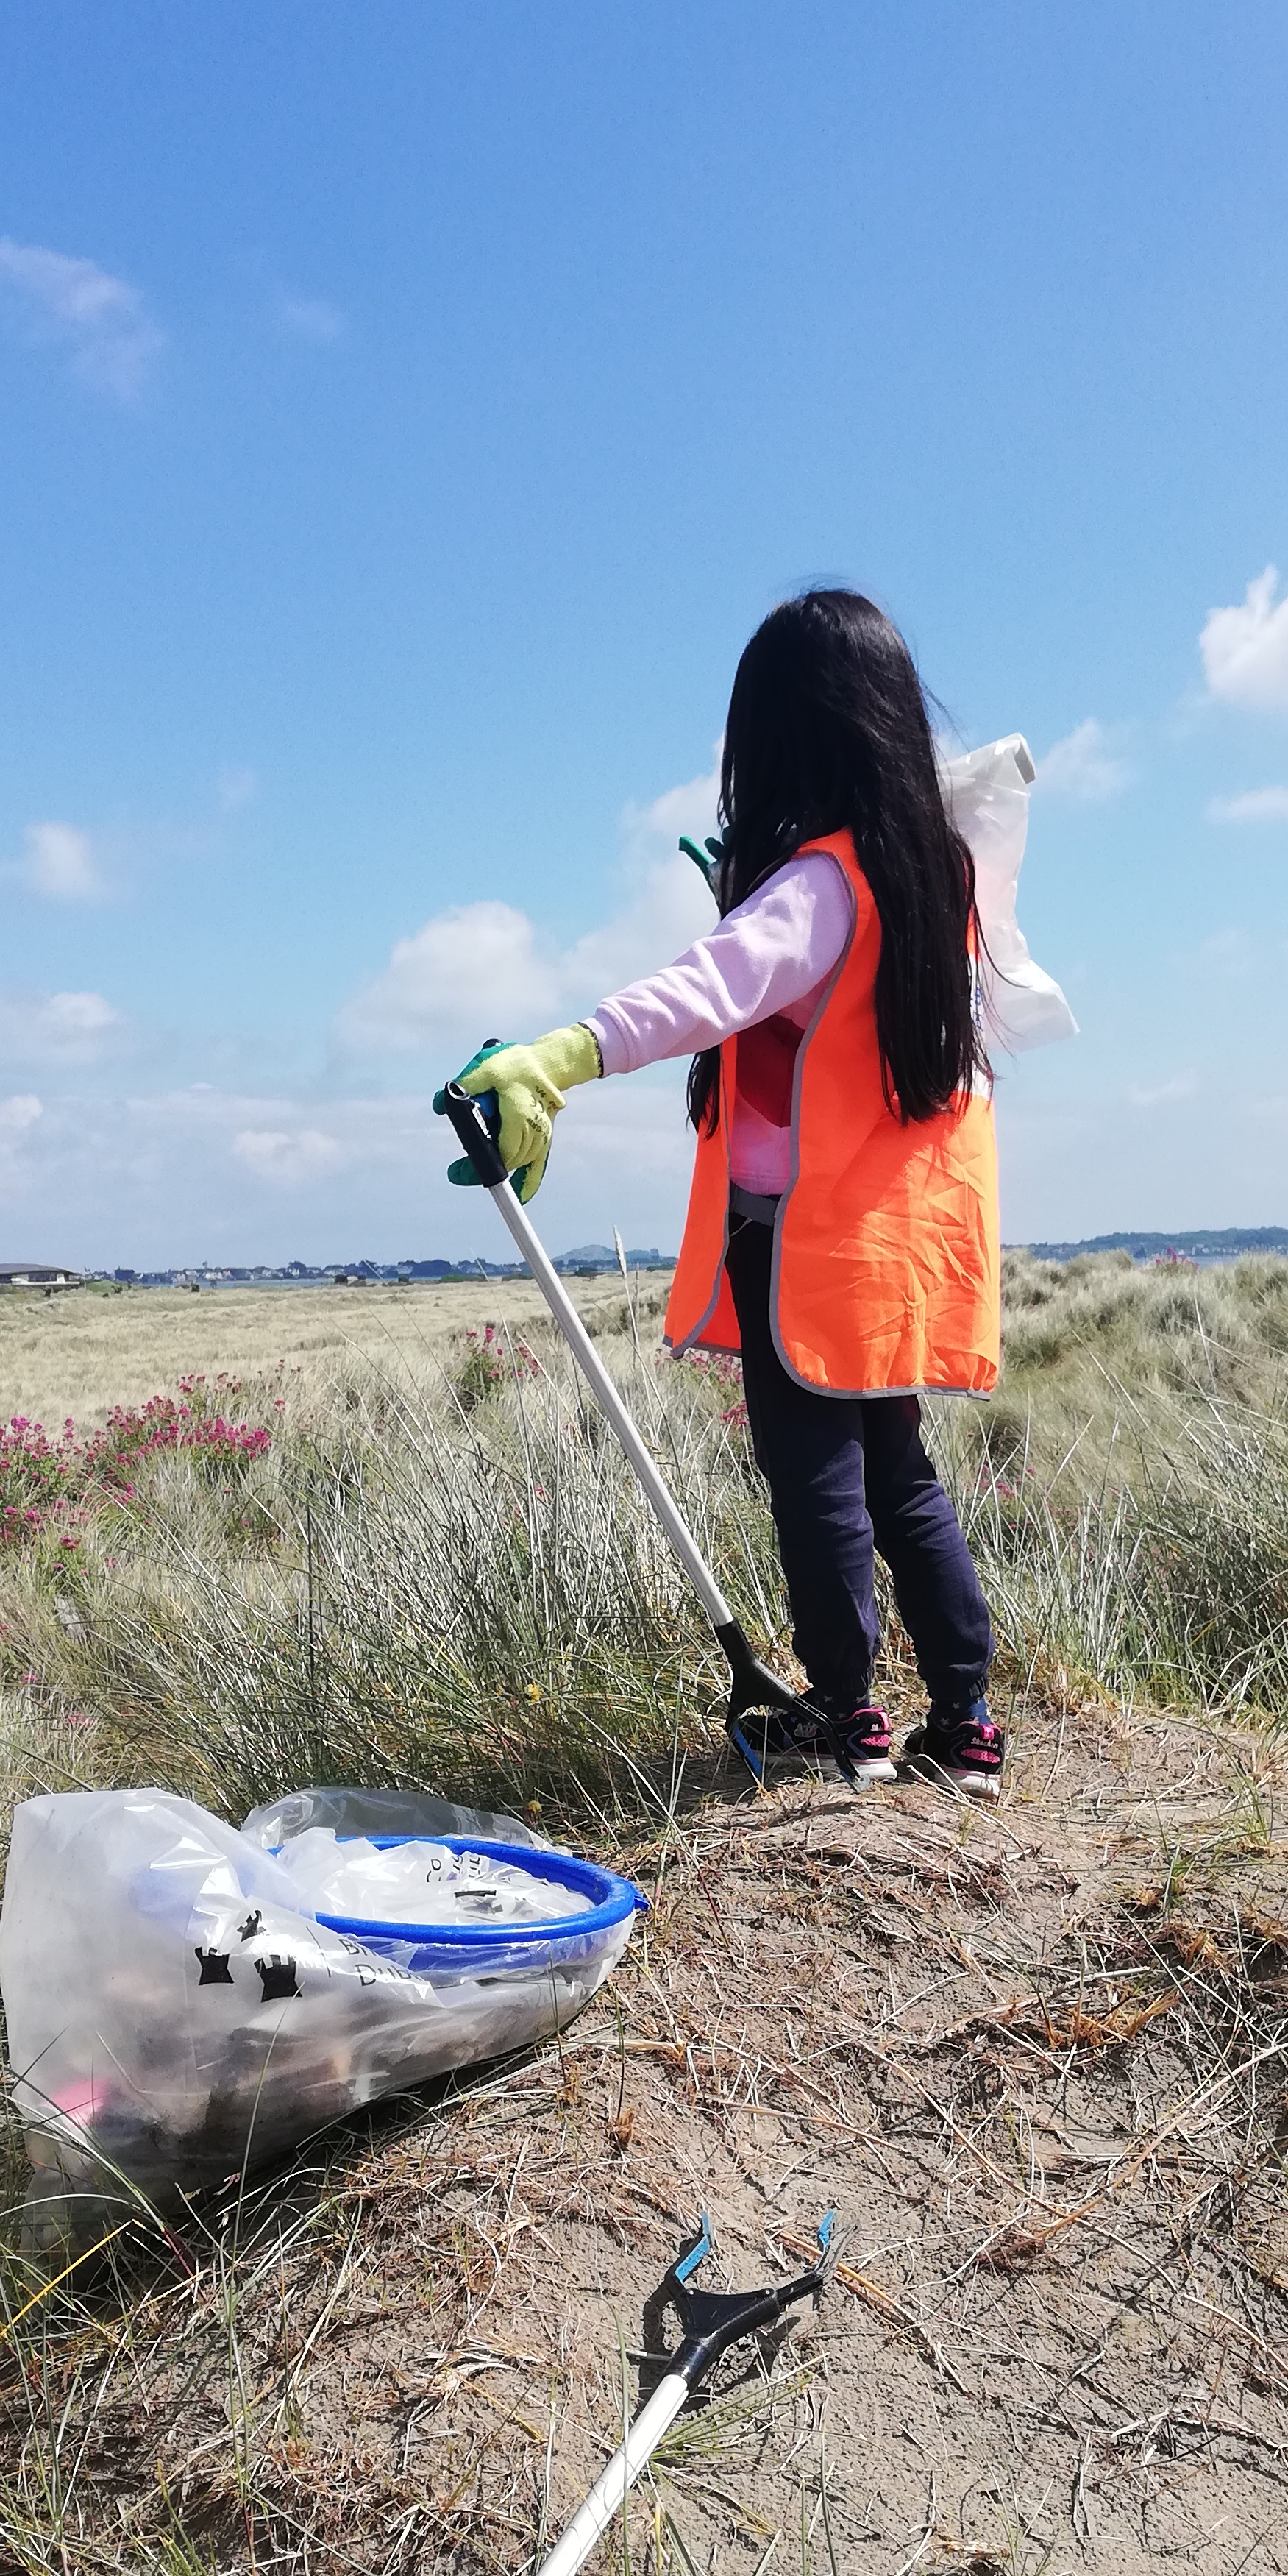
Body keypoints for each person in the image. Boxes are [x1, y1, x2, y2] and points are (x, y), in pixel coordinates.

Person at [444, 586, 1006, 1799]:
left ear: (788, 736)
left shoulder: (820, 885)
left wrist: (562, 1054)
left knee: (819, 1486)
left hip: (800, 1242)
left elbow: (709, 989)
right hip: (892, 1239)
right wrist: (749, 897)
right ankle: (964, 1724)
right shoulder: (940, 881)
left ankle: (848, 1719)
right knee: (901, 1478)